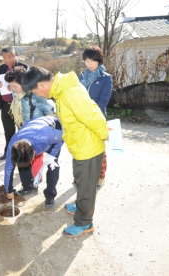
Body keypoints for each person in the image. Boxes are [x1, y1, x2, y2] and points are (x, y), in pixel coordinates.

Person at [22, 66, 108, 238]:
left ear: (41, 85)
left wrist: (105, 134)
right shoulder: (62, 90)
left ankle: (84, 222)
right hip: (80, 145)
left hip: (88, 147)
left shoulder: (69, 93)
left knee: (86, 186)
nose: (38, 95)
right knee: (82, 181)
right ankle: (82, 205)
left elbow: (92, 115)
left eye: (36, 92)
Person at [4, 66, 56, 183]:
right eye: (11, 86)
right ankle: (29, 180)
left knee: (36, 157)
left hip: (37, 132)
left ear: (23, 83)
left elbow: (50, 110)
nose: (12, 89)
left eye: (14, 86)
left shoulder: (35, 95)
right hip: (24, 129)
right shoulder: (18, 96)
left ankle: (36, 180)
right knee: (24, 156)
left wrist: (47, 128)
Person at [4, 116, 63, 209]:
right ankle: (29, 187)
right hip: (32, 130)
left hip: (52, 128)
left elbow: (62, 137)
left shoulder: (48, 136)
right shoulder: (13, 146)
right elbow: (8, 168)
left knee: (53, 166)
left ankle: (50, 195)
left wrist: (52, 155)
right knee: (21, 161)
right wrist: (9, 190)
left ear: (34, 153)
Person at [79, 46, 113, 188]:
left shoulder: (106, 78)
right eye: (87, 60)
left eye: (92, 60)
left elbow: (104, 100)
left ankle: (100, 176)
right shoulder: (81, 76)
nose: (89, 63)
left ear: (98, 60)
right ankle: (83, 176)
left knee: (99, 148)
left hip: (97, 117)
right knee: (82, 147)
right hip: (81, 118)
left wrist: (91, 116)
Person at [0, 46, 28, 160]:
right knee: (8, 131)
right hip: (5, 104)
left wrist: (15, 85)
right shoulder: (1, 68)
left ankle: (23, 154)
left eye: (9, 57)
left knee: (22, 131)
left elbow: (29, 85)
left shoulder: (24, 67)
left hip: (20, 105)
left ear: (15, 56)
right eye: (4, 57)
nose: (7, 60)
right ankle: (8, 153)